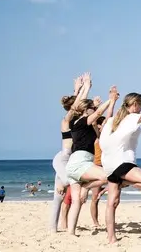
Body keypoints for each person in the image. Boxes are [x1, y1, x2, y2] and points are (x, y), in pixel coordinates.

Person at [100, 91, 141, 244]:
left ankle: (111, 238)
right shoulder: (133, 117)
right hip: (123, 163)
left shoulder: (113, 120)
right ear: (134, 105)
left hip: (108, 166)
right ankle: (126, 182)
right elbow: (140, 117)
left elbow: (138, 120)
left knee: (112, 203)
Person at [65, 85, 119, 236]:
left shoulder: (85, 125)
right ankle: (87, 187)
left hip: (75, 164)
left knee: (77, 202)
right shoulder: (81, 122)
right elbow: (99, 112)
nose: (94, 111)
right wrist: (110, 99)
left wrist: (111, 102)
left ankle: (71, 232)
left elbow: (105, 119)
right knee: (108, 175)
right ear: (86, 110)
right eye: (91, 109)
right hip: (80, 162)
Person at [50, 73, 90, 231]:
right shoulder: (66, 121)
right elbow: (74, 107)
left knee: (57, 198)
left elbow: (76, 107)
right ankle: (55, 228)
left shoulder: (79, 122)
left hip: (70, 160)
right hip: (62, 159)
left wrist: (77, 90)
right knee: (66, 184)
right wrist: (84, 89)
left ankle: (53, 229)